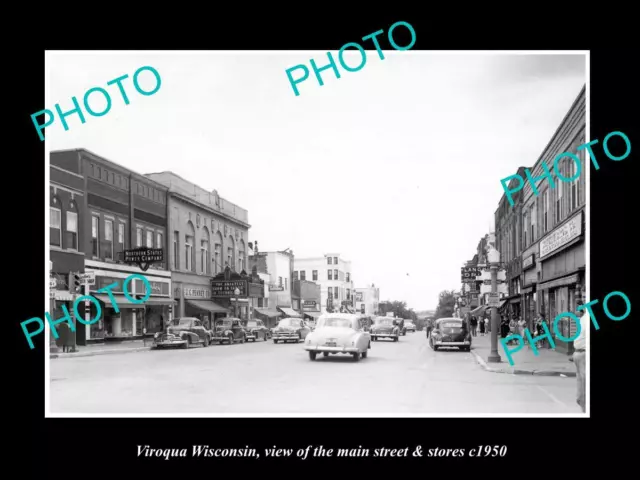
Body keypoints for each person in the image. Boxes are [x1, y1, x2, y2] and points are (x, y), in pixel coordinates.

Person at [571, 300, 587, 412]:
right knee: (581, 381)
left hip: (583, 353)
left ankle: (584, 406)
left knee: (584, 381)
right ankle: (581, 403)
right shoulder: (582, 319)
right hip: (578, 353)